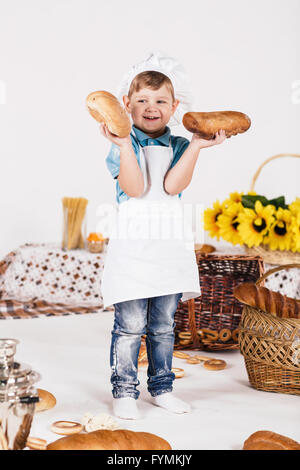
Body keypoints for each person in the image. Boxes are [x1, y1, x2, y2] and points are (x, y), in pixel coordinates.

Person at [100, 52, 226, 420]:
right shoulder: (121, 145)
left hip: (169, 247)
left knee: (162, 325)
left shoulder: (181, 146)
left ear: (174, 106)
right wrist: (124, 145)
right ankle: (124, 390)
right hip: (134, 248)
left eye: (159, 101)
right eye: (141, 100)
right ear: (126, 104)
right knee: (130, 326)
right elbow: (136, 189)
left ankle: (162, 387)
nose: (150, 108)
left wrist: (198, 146)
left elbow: (172, 186)